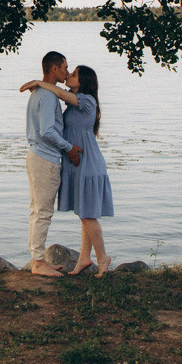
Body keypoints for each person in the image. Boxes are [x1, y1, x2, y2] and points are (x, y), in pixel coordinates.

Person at [21, 65, 113, 276]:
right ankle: (84, 258)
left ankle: (102, 258)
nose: (69, 75)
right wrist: (43, 86)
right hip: (76, 162)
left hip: (87, 161)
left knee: (88, 215)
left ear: (83, 81)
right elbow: (59, 95)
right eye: (68, 71)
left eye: (73, 74)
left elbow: (60, 92)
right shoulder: (72, 104)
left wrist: (40, 83)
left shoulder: (87, 100)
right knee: (84, 213)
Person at [21, 51, 83, 277]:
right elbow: (47, 131)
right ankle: (39, 263)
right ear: (54, 69)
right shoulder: (47, 96)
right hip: (45, 158)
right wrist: (69, 147)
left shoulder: (40, 92)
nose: (67, 72)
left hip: (36, 155)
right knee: (43, 212)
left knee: (37, 211)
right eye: (65, 68)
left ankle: (37, 259)